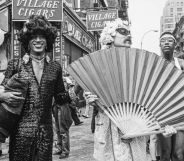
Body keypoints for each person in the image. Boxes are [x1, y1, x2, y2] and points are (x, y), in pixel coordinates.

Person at [84, 18, 177, 161]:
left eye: (129, 32)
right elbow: (91, 90)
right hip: (108, 128)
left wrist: (162, 127)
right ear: (110, 36)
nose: (128, 35)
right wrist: (90, 99)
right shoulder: (100, 64)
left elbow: (151, 100)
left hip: (136, 129)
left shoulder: (139, 65)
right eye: (122, 31)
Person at [0, 15, 71, 161]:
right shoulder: (15, 64)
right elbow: (2, 88)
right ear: (27, 40)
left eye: (42, 37)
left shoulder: (55, 67)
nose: (38, 40)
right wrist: (2, 96)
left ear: (47, 41)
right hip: (20, 131)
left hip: (45, 131)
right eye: (34, 37)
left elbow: (60, 97)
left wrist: (74, 92)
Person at [157, 31, 184, 161]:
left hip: (180, 112)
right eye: (163, 40)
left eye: (170, 40)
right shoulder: (155, 63)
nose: (166, 43)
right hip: (163, 113)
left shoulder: (181, 64)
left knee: (178, 155)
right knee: (165, 154)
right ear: (159, 45)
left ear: (175, 44)